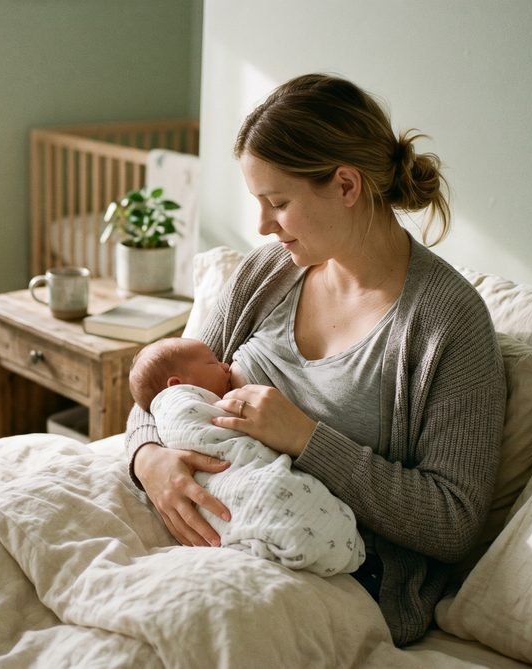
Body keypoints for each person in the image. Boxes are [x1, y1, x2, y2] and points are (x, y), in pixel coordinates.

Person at [124, 73, 506, 646]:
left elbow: (452, 520)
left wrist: (305, 438)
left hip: (333, 572)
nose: (262, 225)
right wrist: (149, 462)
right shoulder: (266, 273)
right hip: (201, 525)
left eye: (278, 202)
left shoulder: (446, 322)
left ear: (346, 185)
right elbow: (165, 392)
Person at [128, 336, 364, 577]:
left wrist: (304, 438)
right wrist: (147, 456)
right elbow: (153, 397)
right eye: (214, 364)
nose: (225, 365)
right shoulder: (250, 299)